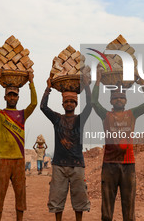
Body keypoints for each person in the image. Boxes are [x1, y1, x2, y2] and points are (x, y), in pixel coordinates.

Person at [91, 70, 144, 221]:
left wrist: (143, 83)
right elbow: (93, 102)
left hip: (128, 165)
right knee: (107, 209)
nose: (119, 100)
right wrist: (98, 81)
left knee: (129, 207)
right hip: (109, 165)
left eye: (121, 98)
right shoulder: (105, 115)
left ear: (125, 101)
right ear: (111, 101)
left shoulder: (132, 114)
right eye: (115, 98)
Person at [40, 76, 92, 221]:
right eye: (66, 101)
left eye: (72, 101)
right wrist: (48, 88)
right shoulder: (57, 119)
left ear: (76, 104)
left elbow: (90, 104)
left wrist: (86, 85)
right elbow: (43, 107)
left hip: (77, 165)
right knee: (57, 197)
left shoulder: (80, 120)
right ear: (63, 104)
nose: (69, 104)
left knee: (80, 198)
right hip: (59, 165)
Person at [0, 69, 37, 221]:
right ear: (5, 96)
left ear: (17, 97)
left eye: (14, 95)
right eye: (9, 94)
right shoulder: (0, 114)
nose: (12, 97)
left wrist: (31, 82)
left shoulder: (22, 114)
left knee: (20, 194)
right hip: (2, 159)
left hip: (18, 160)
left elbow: (34, 103)